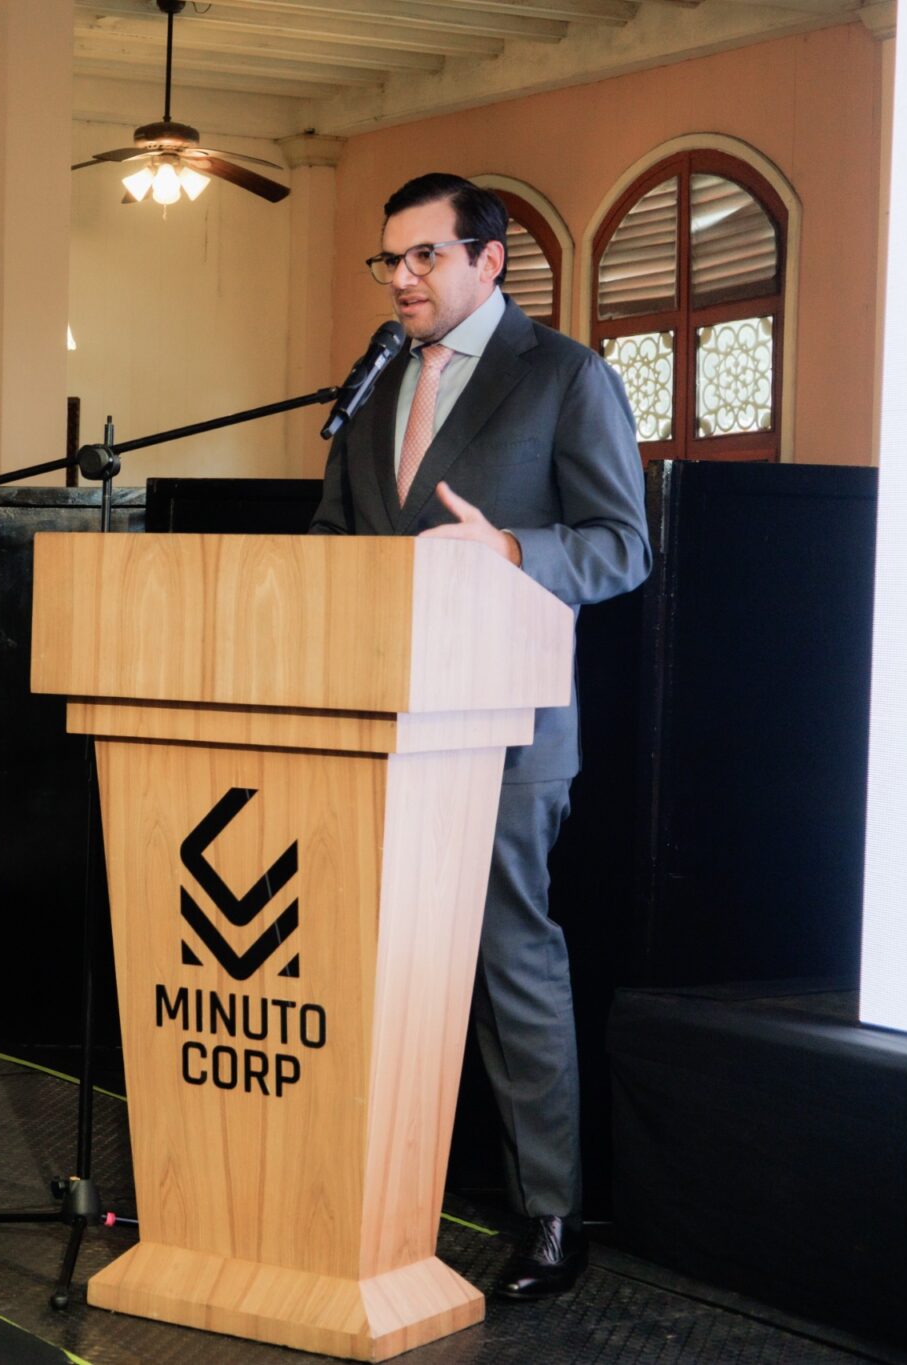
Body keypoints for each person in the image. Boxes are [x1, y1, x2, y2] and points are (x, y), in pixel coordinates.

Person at [310, 172, 651, 1298]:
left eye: (424, 257)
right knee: (372, 961)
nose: (400, 279)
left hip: (506, 730)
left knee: (508, 961)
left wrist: (507, 551)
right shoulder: (375, 380)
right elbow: (334, 539)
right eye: (389, 260)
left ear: (487, 259)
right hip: (375, 719)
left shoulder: (562, 376)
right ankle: (362, 1197)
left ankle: (550, 1215)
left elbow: (620, 546)